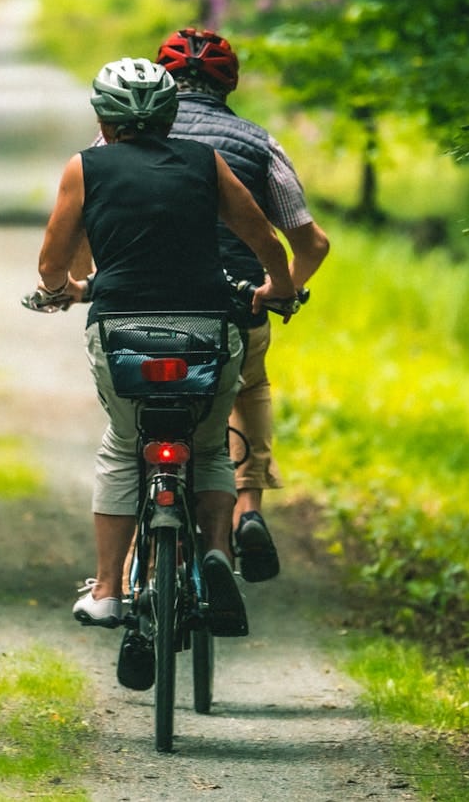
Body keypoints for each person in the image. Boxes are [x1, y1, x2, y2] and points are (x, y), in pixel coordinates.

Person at [33, 57, 297, 637]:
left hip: (122, 330)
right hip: (208, 326)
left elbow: (53, 263)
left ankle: (107, 590)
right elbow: (262, 237)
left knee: (124, 446)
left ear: (103, 116)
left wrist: (63, 291)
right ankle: (217, 556)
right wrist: (279, 285)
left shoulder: (85, 168)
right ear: (171, 113)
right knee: (206, 449)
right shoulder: (207, 162)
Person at [155, 27, 330, 583]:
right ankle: (249, 509)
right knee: (246, 384)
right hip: (231, 311)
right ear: (228, 82)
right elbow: (312, 243)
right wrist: (281, 290)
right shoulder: (258, 143)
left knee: (137, 414)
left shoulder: (124, 140)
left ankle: (140, 549)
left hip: (144, 312)